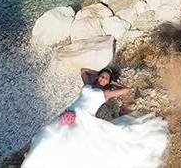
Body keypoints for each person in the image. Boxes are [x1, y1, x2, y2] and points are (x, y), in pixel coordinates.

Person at [22, 67, 169, 167]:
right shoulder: (88, 85)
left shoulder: (105, 94)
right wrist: (99, 74)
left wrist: (112, 83)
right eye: (102, 76)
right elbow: (83, 71)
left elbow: (127, 90)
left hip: (82, 120)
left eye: (106, 78)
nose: (103, 79)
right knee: (47, 135)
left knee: (66, 145)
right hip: (67, 115)